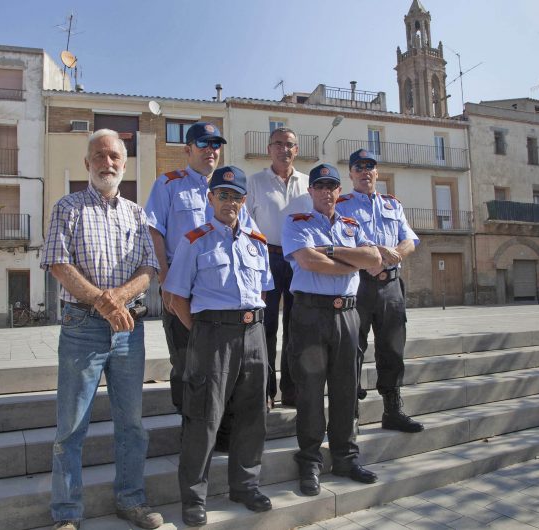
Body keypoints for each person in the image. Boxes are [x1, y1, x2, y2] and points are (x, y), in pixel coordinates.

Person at [41, 129, 162, 530]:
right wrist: (101, 301)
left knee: (132, 425)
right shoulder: (68, 207)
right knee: (71, 428)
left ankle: (131, 501)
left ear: (124, 165)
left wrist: (118, 299)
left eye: (114, 157)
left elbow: (149, 268)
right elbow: (58, 263)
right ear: (87, 163)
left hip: (129, 330)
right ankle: (67, 515)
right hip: (82, 328)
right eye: (99, 155)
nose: (106, 163)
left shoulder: (136, 213)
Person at [164, 166, 273, 526]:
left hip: (253, 335)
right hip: (212, 336)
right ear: (210, 199)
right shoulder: (194, 240)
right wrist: (204, 332)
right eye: (222, 195)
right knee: (203, 419)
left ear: (244, 201)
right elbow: (175, 297)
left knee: (252, 415)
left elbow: (262, 293)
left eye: (236, 196)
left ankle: (245, 485)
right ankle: (194, 498)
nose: (230, 202)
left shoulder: (257, 241)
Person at [282, 163, 382, 496]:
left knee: (346, 389)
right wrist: (349, 261)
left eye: (332, 186)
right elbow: (308, 262)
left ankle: (345, 457)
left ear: (340, 191)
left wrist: (329, 252)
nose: (326, 192)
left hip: (348, 316)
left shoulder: (353, 224)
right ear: (310, 191)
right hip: (310, 314)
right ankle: (310, 462)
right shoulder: (295, 222)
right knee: (309, 392)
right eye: (320, 186)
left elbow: (374, 259)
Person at [145, 121, 245, 449]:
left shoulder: (229, 190)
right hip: (183, 292)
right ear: (188, 149)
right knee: (187, 364)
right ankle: (191, 428)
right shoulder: (169, 184)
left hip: (220, 294)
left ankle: (224, 433)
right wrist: (165, 277)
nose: (210, 150)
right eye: (203, 143)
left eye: (215, 144)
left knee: (222, 365)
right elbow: (154, 230)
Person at [335, 149, 424, 433]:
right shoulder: (342, 204)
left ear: (376, 172)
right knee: (351, 348)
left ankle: (393, 410)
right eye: (358, 167)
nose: (364, 172)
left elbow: (409, 238)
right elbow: (338, 243)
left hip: (391, 286)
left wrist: (396, 253)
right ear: (350, 174)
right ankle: (350, 413)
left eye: (369, 167)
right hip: (357, 284)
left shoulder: (392, 204)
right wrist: (372, 256)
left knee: (392, 347)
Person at [246, 127, 311, 408]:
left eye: (290, 145)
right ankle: (265, 391)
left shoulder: (309, 184)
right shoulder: (255, 182)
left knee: (296, 326)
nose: (284, 149)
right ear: (269, 149)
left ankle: (292, 389)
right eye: (278, 144)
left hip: (300, 260)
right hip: (266, 258)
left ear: (296, 150)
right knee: (266, 327)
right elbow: (246, 226)